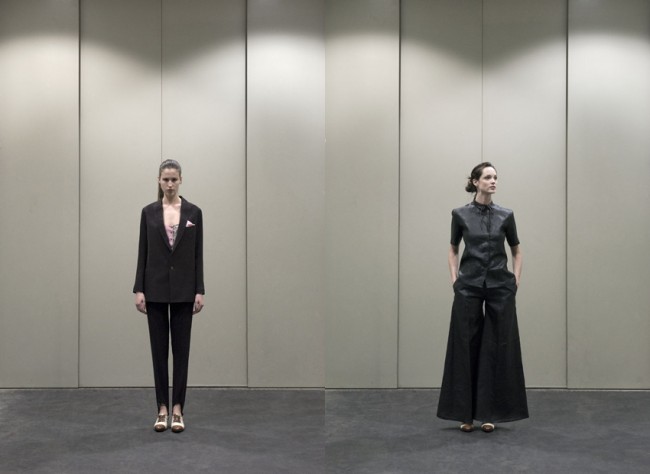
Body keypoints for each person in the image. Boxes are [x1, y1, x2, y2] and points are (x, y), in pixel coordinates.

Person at [437, 162, 528, 433]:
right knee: (465, 344)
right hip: (469, 286)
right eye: (488, 177)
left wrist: (515, 279)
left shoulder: (506, 215)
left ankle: (489, 414)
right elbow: (453, 248)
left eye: (495, 177)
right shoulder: (460, 214)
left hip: (500, 285)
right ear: (475, 182)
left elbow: (516, 249)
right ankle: (465, 415)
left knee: (497, 346)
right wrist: (455, 280)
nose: (493, 181)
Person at [133, 159, 204, 433]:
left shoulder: (194, 213)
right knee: (159, 352)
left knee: (181, 352)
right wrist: (139, 288)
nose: (170, 184)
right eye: (166, 179)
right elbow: (143, 252)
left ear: (181, 180)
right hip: (155, 289)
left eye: (174, 179)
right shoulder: (148, 213)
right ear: (159, 181)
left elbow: (198, 254)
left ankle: (178, 409)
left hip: (185, 290)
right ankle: (162, 408)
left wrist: (199, 289)